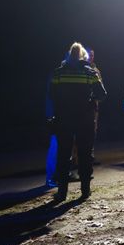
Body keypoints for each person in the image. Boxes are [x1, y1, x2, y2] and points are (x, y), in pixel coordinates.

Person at [48, 42, 107, 202]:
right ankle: (85, 190)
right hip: (85, 119)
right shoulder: (90, 72)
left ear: (69, 55)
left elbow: (51, 96)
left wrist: (53, 115)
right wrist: (90, 101)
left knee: (64, 154)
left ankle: (62, 192)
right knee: (85, 154)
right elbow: (101, 94)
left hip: (63, 119)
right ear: (83, 56)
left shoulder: (58, 73)